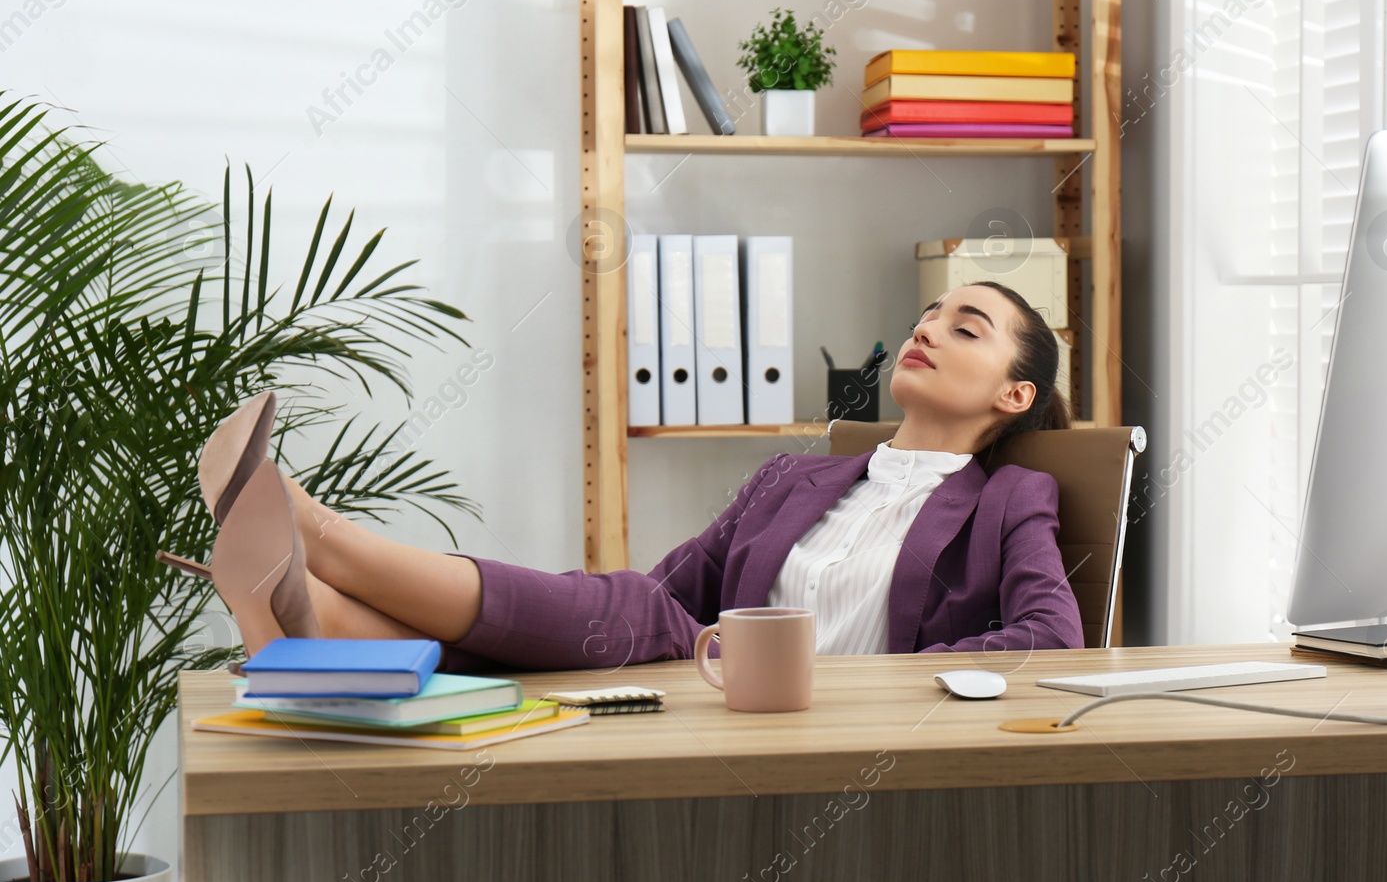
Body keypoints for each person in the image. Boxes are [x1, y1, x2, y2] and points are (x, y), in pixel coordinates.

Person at [171, 280, 1083, 672]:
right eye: (928, 314)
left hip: (803, 714)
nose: (925, 329)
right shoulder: (796, 477)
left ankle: (322, 543)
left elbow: (1052, 637)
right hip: (710, 687)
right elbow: (662, 596)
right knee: (623, 614)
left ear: (1015, 392)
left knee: (639, 622)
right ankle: (316, 620)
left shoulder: (1009, 497)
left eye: (965, 327)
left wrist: (873, 682)